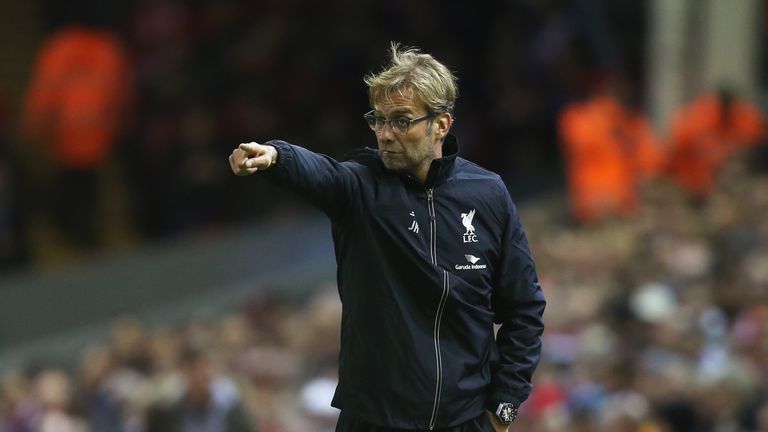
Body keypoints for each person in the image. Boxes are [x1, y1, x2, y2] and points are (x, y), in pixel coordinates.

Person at [229, 44, 546, 432]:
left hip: (464, 421)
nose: (385, 134)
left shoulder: (488, 194)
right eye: (378, 120)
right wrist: (276, 156)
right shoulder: (360, 189)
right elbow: (320, 173)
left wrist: (505, 406)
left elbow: (524, 309)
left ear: (441, 125)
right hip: (375, 421)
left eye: (401, 121)